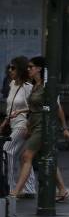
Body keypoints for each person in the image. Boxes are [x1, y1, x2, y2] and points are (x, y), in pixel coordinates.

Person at [13, 56, 69, 201]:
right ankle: (62, 190)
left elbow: (57, 108)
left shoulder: (46, 86)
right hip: (35, 124)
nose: (28, 69)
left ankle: (16, 191)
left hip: (43, 126)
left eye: (31, 67)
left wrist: (64, 128)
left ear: (39, 68)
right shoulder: (35, 85)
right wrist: (25, 118)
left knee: (26, 156)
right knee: (46, 157)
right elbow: (34, 108)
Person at [2, 56, 36, 196]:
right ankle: (29, 188)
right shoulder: (12, 84)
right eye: (9, 68)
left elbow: (34, 107)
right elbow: (10, 107)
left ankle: (10, 186)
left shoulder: (28, 88)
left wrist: (27, 120)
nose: (10, 70)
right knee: (23, 155)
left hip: (23, 125)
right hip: (13, 124)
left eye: (13, 68)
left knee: (7, 150)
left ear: (21, 69)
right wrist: (5, 122)